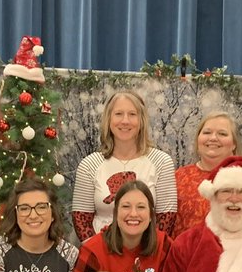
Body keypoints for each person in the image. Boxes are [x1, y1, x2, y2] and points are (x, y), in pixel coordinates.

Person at [71, 90, 177, 241]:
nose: (125, 121)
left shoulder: (161, 161)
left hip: (147, 253)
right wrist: (98, 256)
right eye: (119, 114)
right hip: (101, 254)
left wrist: (146, 255)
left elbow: (167, 218)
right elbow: (81, 219)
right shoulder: (90, 164)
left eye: (132, 114)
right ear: (108, 119)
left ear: (141, 120)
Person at [171, 111, 242, 237]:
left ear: (233, 144)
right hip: (184, 255)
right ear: (198, 140)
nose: (213, 138)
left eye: (222, 133)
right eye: (207, 132)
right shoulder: (178, 178)